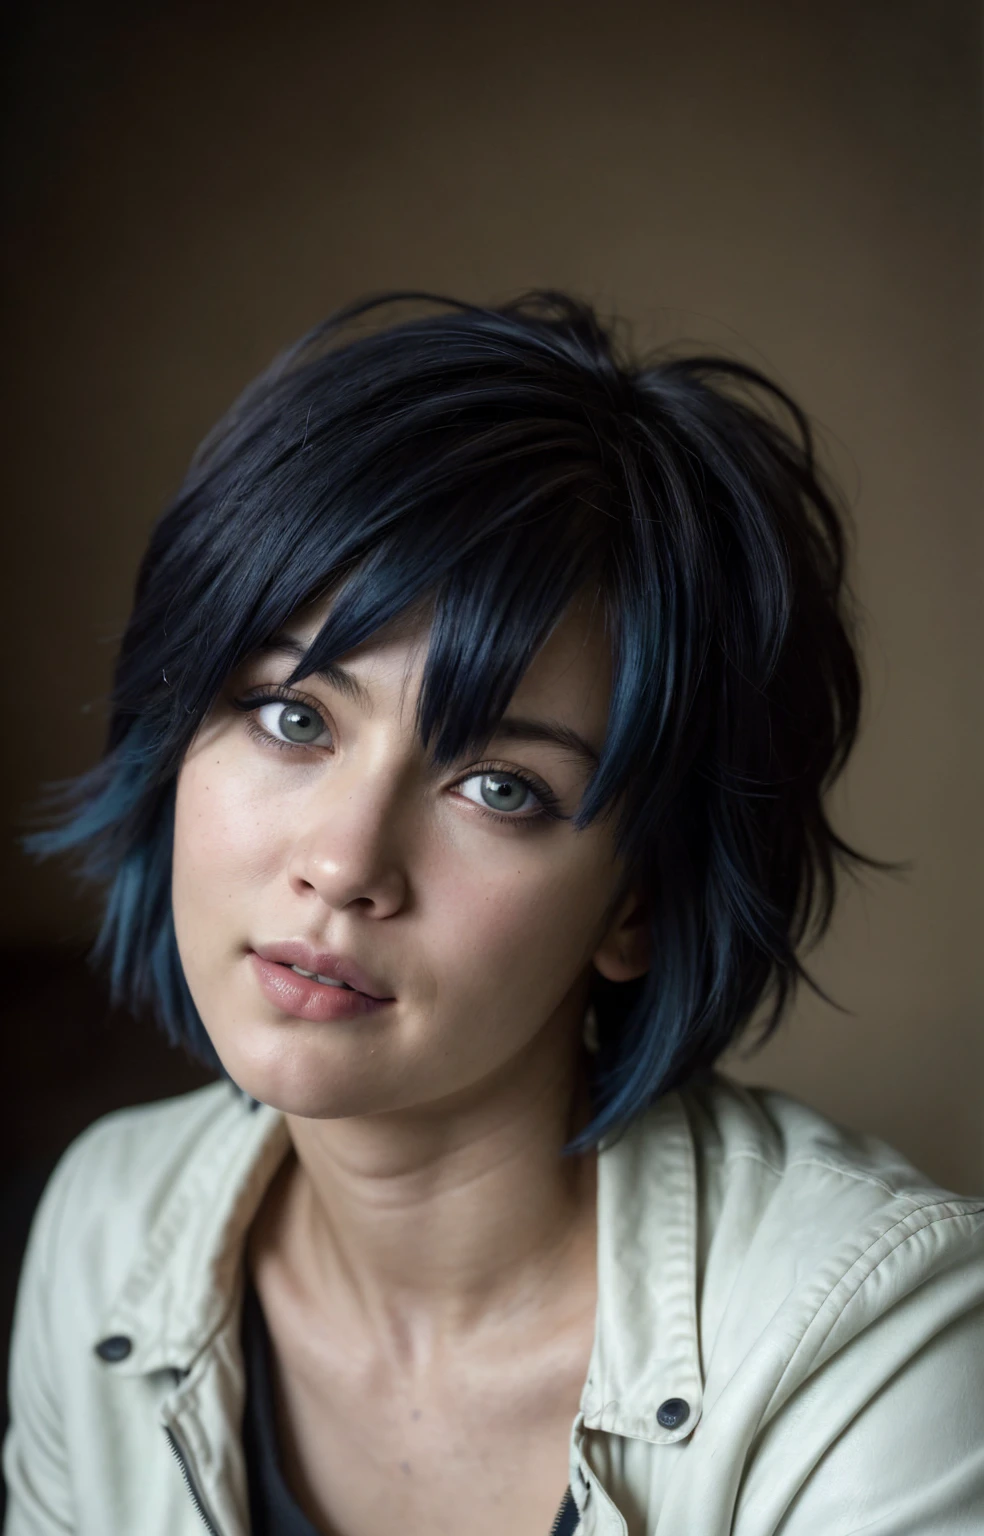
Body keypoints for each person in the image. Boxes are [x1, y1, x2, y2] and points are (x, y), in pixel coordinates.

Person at [3, 292, 982, 1536]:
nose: (347, 862)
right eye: (293, 716)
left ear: (638, 903)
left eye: (499, 788)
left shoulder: (867, 1353)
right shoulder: (108, 1227)